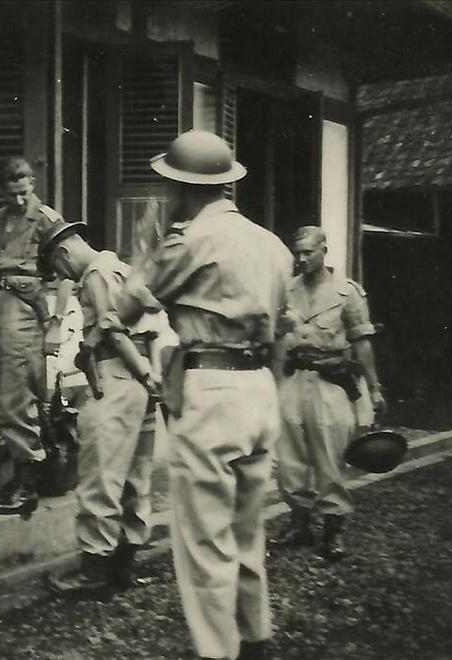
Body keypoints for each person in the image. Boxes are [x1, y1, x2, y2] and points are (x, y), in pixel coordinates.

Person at [116, 130, 293, 660]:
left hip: (212, 388)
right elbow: (282, 330)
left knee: (205, 543)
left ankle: (218, 652)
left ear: (181, 187)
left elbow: (126, 308)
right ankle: (255, 640)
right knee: (246, 531)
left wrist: (145, 247)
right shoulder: (272, 244)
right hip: (259, 389)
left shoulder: (188, 241)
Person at [38, 221, 179, 593]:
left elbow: (113, 332)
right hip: (140, 379)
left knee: (99, 476)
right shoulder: (120, 267)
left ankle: (94, 571)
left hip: (116, 378)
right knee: (136, 478)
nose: (61, 276)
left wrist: (143, 375)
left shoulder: (95, 275)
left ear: (63, 253)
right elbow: (150, 327)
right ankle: (123, 566)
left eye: (57, 268)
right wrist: (150, 377)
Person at [273, 226, 386, 561]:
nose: (302, 258)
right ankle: (299, 525)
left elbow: (362, 343)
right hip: (293, 378)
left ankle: (333, 532)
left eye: (308, 252)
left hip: (330, 382)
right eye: (297, 252)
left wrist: (375, 389)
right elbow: (277, 338)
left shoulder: (346, 292)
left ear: (324, 250)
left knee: (329, 457)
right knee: (289, 457)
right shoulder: (287, 290)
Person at [0, 156, 74, 516]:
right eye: (12, 194)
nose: (19, 201)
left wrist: (56, 323)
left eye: (24, 192)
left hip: (29, 311)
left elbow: (66, 273)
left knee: (18, 395)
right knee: (4, 393)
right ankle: (20, 473)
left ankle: (28, 482)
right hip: (0, 309)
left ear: (33, 183)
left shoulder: (47, 219)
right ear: (1, 192)